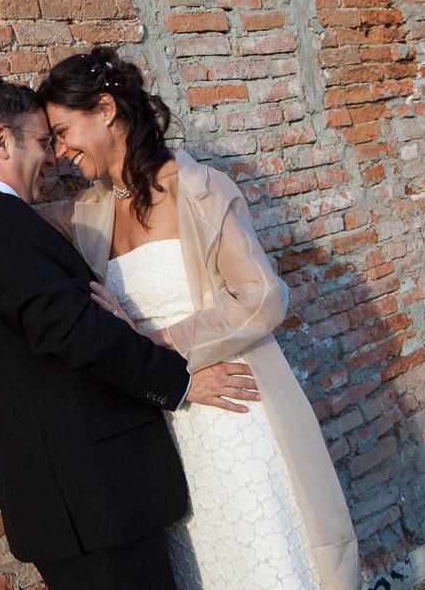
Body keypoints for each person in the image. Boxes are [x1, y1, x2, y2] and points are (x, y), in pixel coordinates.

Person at [36, 47, 361, 590]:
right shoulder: (83, 215)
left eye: (64, 131)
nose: (61, 151)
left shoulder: (200, 189)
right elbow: (8, 221)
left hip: (228, 410)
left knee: (261, 560)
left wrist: (154, 341)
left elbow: (261, 298)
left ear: (107, 109)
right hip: (158, 429)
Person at [0, 78, 262, 590]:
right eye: (42, 141)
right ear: (0, 141)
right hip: (94, 499)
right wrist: (182, 383)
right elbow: (78, 334)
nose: (55, 158)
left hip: (65, 499)